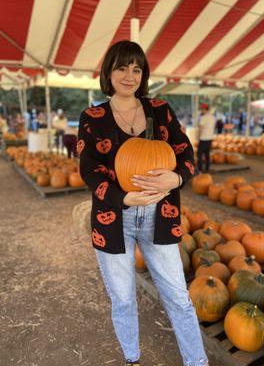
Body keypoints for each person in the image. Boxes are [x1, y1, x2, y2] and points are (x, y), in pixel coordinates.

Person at [78, 41, 208, 366]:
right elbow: (89, 171)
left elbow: (187, 155)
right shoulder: (93, 117)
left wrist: (176, 178)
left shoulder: (160, 110)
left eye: (137, 69)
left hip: (159, 215)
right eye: (122, 67)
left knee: (178, 296)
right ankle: (132, 360)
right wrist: (123, 197)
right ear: (109, 71)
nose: (129, 75)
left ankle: (198, 362)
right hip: (113, 217)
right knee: (122, 299)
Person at [197, 103, 215, 173]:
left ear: (204, 109)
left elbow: (200, 128)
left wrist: (198, 136)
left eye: (202, 109)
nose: (201, 110)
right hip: (210, 138)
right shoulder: (212, 117)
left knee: (199, 154)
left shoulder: (203, 117)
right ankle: (207, 168)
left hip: (203, 138)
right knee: (207, 154)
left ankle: (200, 169)